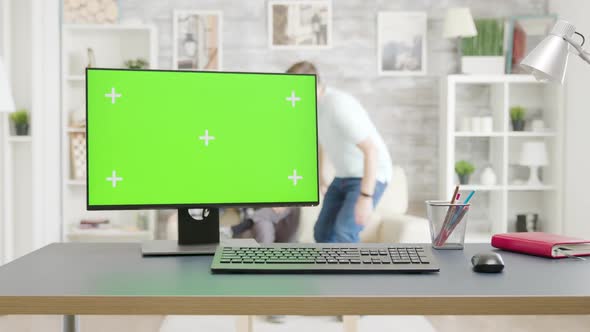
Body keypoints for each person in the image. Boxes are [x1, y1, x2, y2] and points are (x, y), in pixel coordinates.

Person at [286, 61, 392, 243]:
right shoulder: (313, 108)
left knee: (345, 232)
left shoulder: (338, 105)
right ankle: (328, 272)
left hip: (370, 176)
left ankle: (354, 272)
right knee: (322, 232)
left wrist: (366, 197)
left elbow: (371, 150)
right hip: (343, 176)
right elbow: (320, 143)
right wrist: (320, 178)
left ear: (314, 84)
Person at [223, 207, 300, 244]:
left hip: (286, 234)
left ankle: (235, 229)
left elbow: (279, 210)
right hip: (267, 224)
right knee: (264, 223)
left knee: (291, 204)